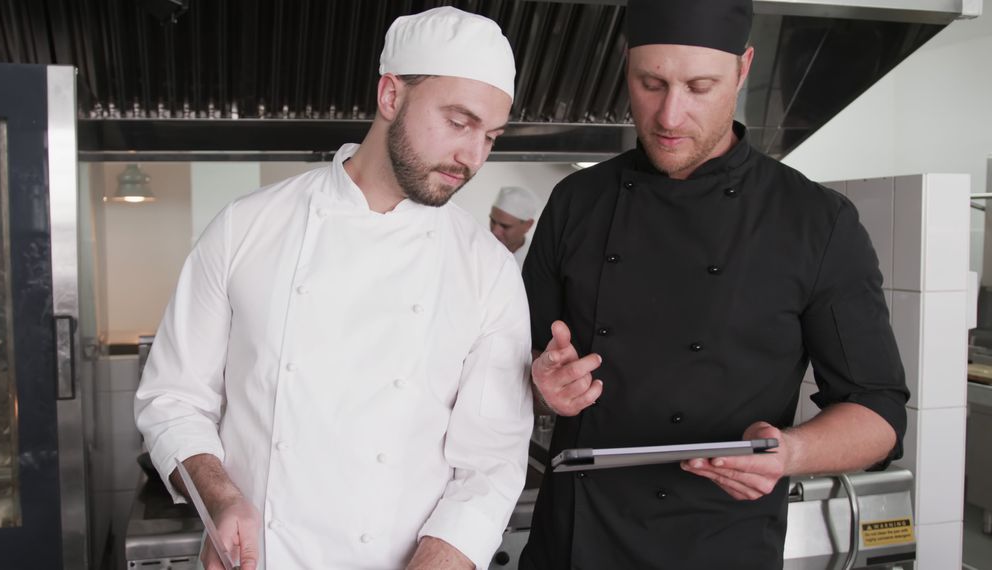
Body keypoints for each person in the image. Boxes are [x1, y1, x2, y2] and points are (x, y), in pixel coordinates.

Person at [134, 7, 533, 570]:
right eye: (458, 122)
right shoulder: (246, 227)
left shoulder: (488, 271)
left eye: (490, 136)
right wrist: (220, 500)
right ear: (391, 96)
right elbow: (173, 400)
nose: (472, 158)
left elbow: (490, 465)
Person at [519, 0, 909, 568]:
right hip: (575, 538)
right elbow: (513, 361)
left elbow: (879, 412)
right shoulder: (576, 202)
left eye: (699, 87)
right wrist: (540, 383)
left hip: (722, 545)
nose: (669, 116)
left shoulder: (817, 221)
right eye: (650, 83)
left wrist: (791, 451)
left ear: (743, 68)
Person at [489, 185, 541, 267]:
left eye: (505, 226)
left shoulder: (535, 265)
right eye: (493, 221)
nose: (495, 232)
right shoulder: (476, 245)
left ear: (528, 225)